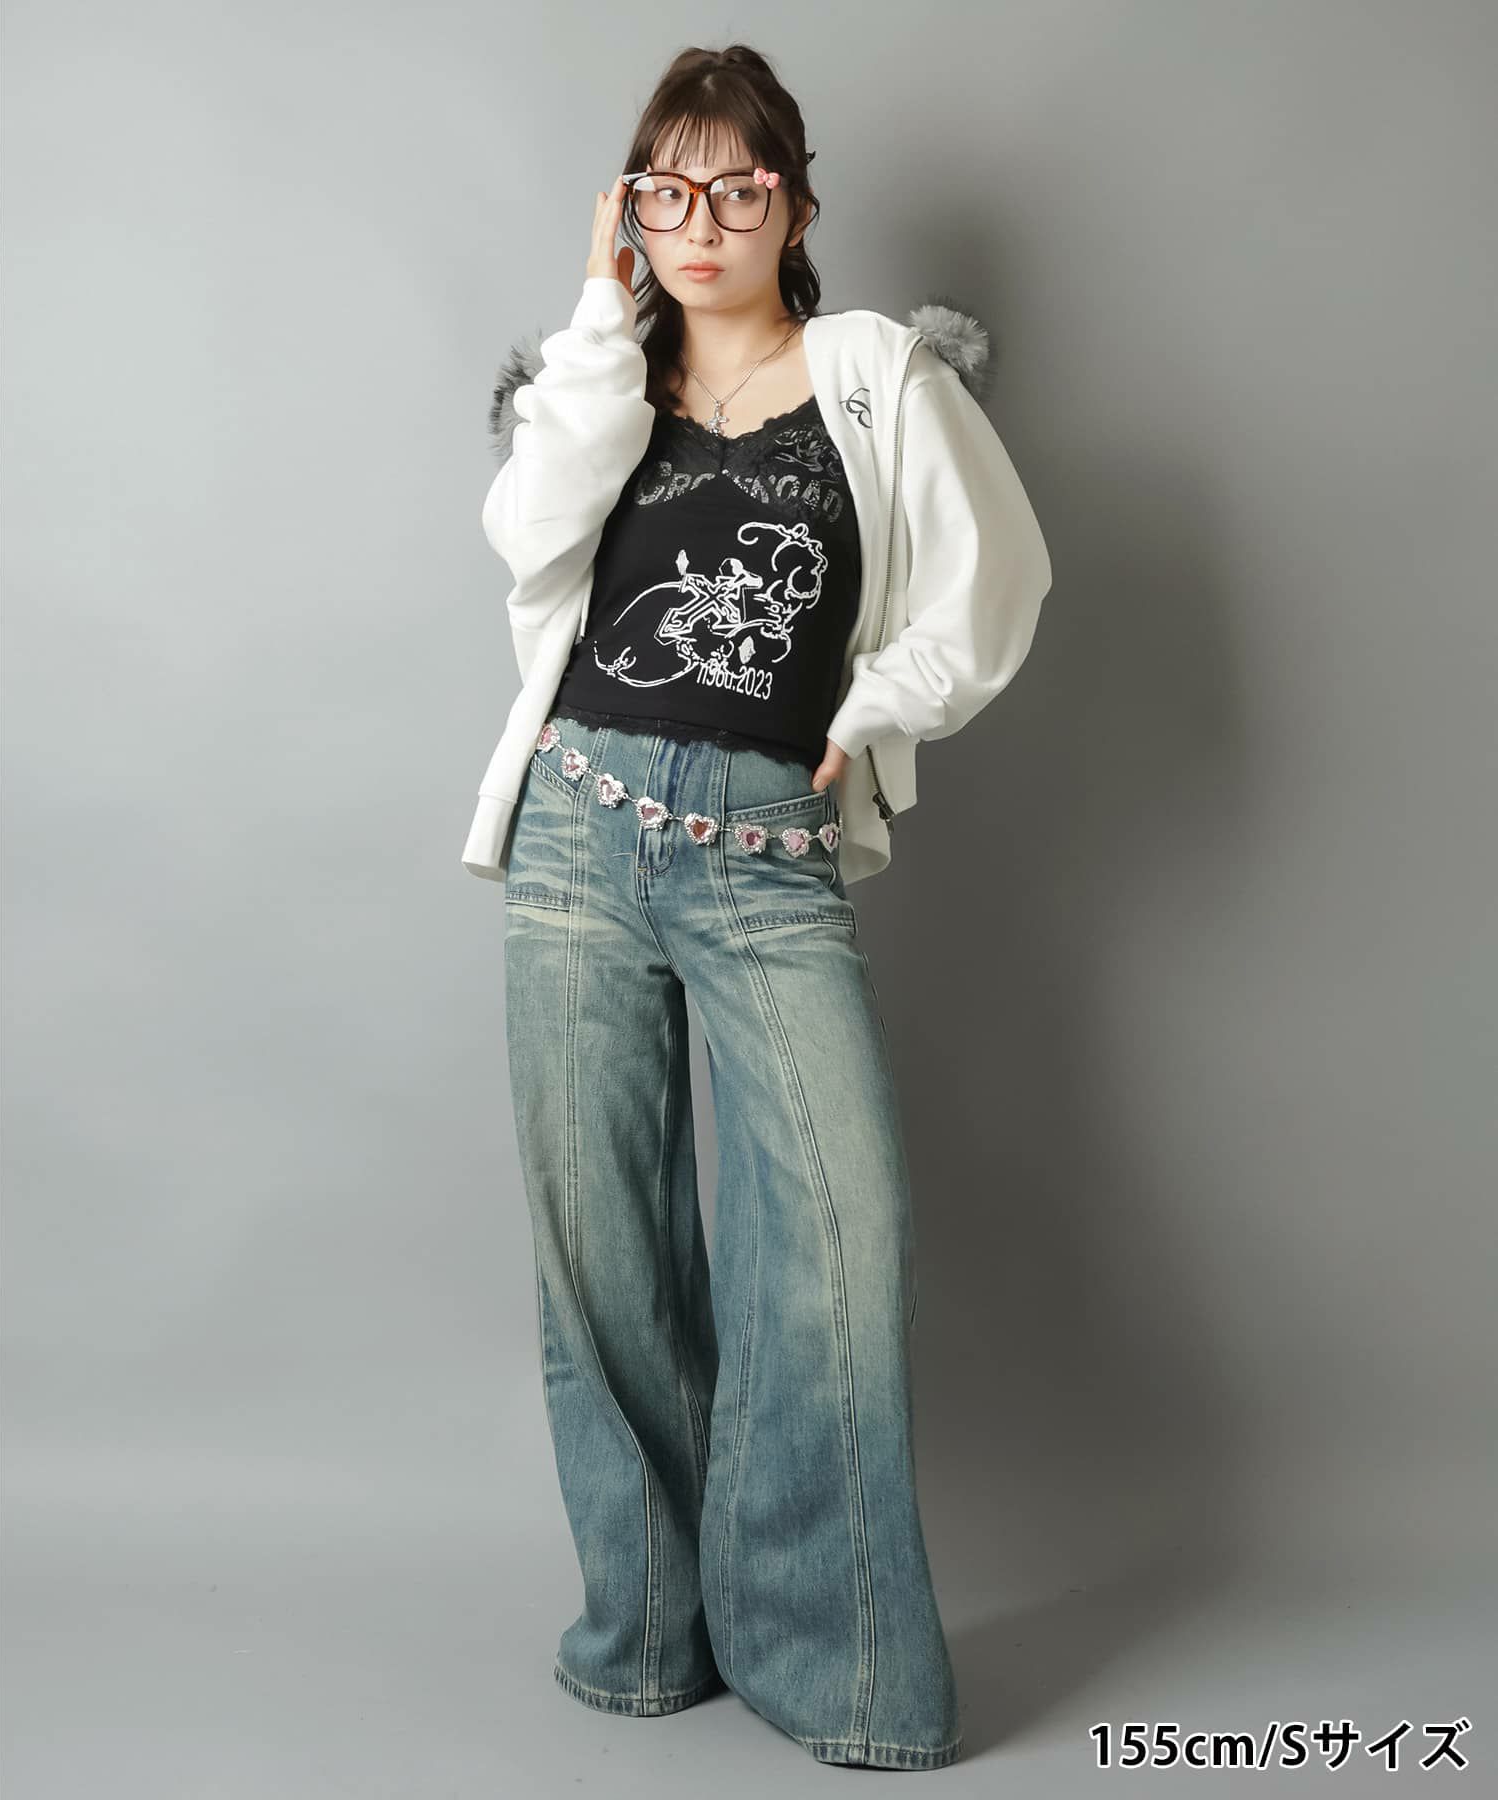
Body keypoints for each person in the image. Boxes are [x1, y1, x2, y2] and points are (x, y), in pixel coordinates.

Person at [465, 44, 1052, 1772]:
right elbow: (527, 538)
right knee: (604, 1259)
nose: (702, 219)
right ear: (632, 213)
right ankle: (646, 1635)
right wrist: (598, 314)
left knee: (842, 1241)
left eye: (737, 185)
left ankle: (837, 1668)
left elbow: (993, 585)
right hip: (579, 834)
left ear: (795, 202)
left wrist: (872, 715)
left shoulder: (874, 375)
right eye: (667, 189)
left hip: (763, 855)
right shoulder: (605, 381)